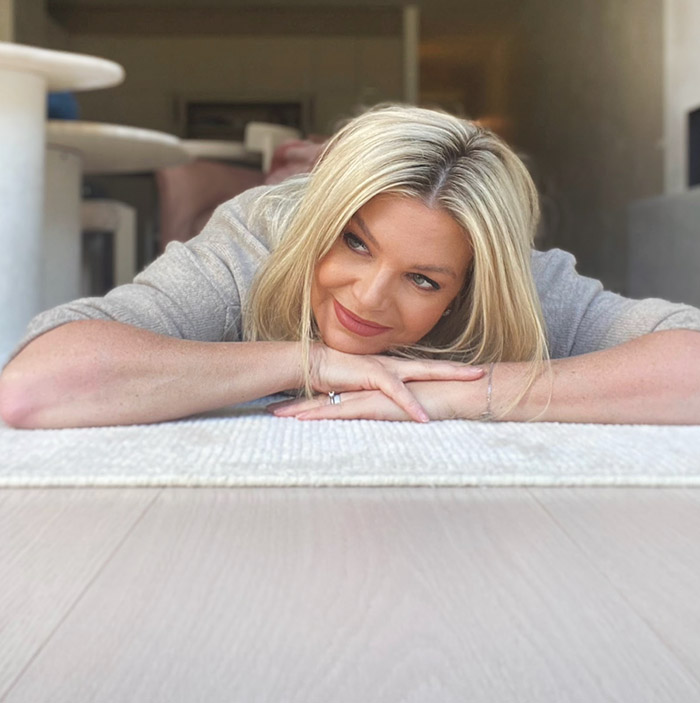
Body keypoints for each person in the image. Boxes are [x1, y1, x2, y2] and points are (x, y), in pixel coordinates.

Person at [1, 104, 700, 429]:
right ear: (317, 222)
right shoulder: (258, 238)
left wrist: (464, 393)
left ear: (465, 289)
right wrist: (304, 360)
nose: (367, 295)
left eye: (424, 279)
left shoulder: (511, 281)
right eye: (354, 242)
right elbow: (32, 388)